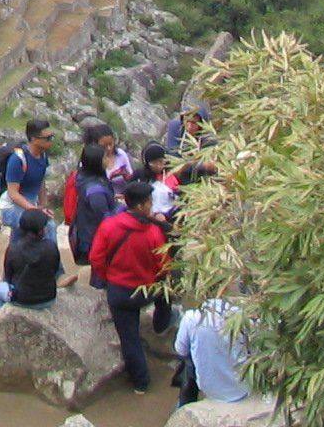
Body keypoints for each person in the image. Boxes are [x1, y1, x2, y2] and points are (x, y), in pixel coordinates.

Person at [90, 179, 174, 394]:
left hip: (120, 291)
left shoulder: (109, 226)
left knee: (130, 338)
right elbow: (164, 267)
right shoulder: (154, 233)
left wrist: (108, 277)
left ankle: (141, 383)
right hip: (147, 290)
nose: (151, 206)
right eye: (149, 202)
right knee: (166, 291)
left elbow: (96, 257)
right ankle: (161, 324)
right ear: (141, 205)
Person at [174, 297, 251, 406]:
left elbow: (180, 350)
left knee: (188, 358)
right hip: (242, 388)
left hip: (209, 387)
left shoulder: (192, 317)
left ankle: (184, 405)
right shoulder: (246, 315)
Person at [0, 207, 64, 309]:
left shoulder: (13, 249)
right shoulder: (51, 246)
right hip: (49, 299)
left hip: (22, 301)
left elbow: (8, 278)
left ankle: (1, 318)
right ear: (40, 231)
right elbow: (55, 270)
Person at [0, 118, 56, 239]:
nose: (51, 141)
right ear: (34, 139)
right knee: (48, 226)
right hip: (11, 207)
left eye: (52, 136)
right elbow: (13, 193)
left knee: (23, 235)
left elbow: (40, 181)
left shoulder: (43, 156)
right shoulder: (18, 160)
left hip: (29, 204)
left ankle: (14, 254)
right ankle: (51, 257)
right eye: (47, 138)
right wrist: (36, 211)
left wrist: (43, 206)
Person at [70, 142, 121, 267]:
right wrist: (123, 208)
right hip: (93, 240)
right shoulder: (95, 189)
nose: (108, 159)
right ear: (96, 162)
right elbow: (104, 217)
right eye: (104, 157)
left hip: (88, 233)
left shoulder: (86, 176)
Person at [142, 143, 180, 221]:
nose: (158, 166)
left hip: (170, 216)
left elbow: (177, 198)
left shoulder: (171, 176)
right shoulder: (144, 179)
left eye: (161, 161)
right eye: (154, 163)